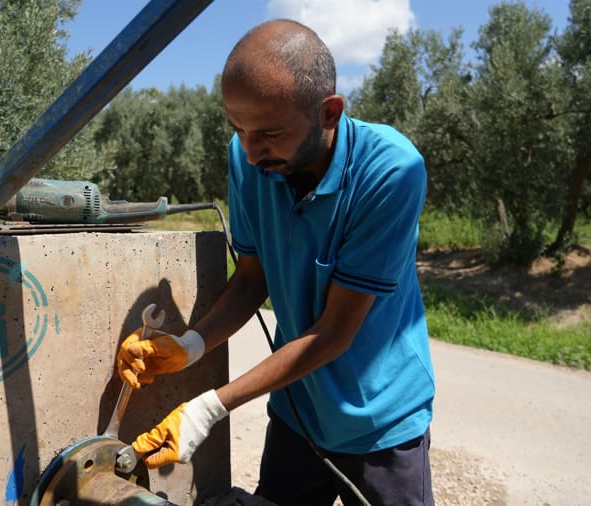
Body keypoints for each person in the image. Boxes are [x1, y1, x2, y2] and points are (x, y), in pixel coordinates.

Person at [117, 19, 435, 505]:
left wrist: (207, 409)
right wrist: (189, 345)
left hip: (380, 424)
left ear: (329, 113)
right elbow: (250, 280)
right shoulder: (248, 157)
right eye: (237, 128)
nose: (250, 149)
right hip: (298, 411)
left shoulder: (391, 170)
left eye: (269, 132)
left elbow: (334, 333)